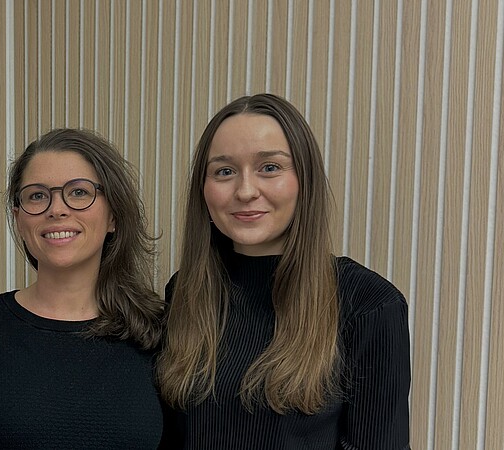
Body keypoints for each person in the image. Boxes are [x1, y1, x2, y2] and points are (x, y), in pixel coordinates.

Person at [157, 93, 410, 448]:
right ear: (203, 190)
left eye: (270, 167)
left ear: (304, 180)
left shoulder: (369, 303)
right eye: (224, 171)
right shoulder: (185, 292)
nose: (246, 191)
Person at [0, 128, 166, 449]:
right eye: (37, 195)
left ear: (113, 216)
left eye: (79, 192)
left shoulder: (158, 331)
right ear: (19, 219)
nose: (56, 209)